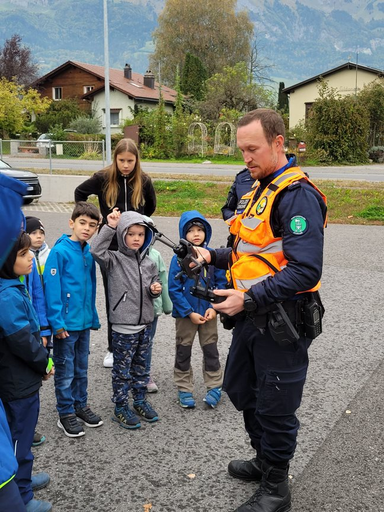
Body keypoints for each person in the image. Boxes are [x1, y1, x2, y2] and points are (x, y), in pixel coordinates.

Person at [192, 109, 327, 512]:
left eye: (253, 149)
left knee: (276, 405)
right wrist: (207, 255)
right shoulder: (258, 190)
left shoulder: (296, 194)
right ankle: (264, 459)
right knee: (241, 389)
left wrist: (248, 298)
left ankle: (276, 488)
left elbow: (306, 269)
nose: (246, 158)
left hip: (283, 320)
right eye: (242, 150)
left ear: (278, 143)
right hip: (252, 316)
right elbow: (245, 252)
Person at [74, 138, 157, 369]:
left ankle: (138, 343)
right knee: (115, 297)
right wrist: (95, 217)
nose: (126, 165)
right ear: (115, 159)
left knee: (140, 294)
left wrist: (139, 222)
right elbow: (79, 192)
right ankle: (113, 347)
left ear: (136, 160)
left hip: (137, 248)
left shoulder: (144, 180)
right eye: (122, 160)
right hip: (111, 249)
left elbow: (150, 206)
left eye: (130, 161)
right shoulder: (102, 178)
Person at [91, 210, 162, 429]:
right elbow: (95, 250)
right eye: (131, 234)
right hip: (123, 326)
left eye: (140, 234)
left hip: (145, 325)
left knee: (141, 367)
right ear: (122, 235)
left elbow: (153, 286)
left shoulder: (149, 262)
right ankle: (120, 406)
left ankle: (139, 400)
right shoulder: (113, 260)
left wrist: (154, 290)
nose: (136, 238)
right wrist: (110, 227)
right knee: (122, 370)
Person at [0, 230, 54, 512]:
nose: (31, 256)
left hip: (18, 379)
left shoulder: (12, 284)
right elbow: (22, 341)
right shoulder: (7, 296)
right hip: (17, 383)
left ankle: (23, 480)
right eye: (23, 254)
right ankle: (21, 495)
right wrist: (45, 362)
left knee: (19, 434)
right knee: (19, 439)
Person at [43, 202, 102, 438]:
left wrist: (93, 317)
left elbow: (91, 288)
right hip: (65, 326)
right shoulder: (60, 252)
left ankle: (80, 405)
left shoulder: (88, 251)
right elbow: (52, 288)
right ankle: (65, 412)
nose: (87, 228)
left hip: (83, 323)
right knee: (65, 371)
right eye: (82, 223)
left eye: (92, 225)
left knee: (81, 368)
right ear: (72, 223)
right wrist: (56, 323)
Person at [168, 210, 227, 409]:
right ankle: (184, 387)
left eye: (200, 230)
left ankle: (214, 385)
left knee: (211, 349)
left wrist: (214, 308)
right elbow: (173, 289)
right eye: (191, 230)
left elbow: (221, 284)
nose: (196, 234)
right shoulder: (178, 260)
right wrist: (188, 312)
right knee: (183, 349)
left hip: (208, 313)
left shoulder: (213, 257)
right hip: (187, 315)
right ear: (183, 234)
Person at [24, 217, 52, 447]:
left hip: (34, 331)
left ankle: (27, 428)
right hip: (16, 334)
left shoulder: (31, 262)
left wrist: (43, 329)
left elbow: (38, 296)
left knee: (32, 382)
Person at [141, 216, 173, 393]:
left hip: (153, 308)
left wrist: (167, 306)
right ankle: (131, 373)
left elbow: (163, 280)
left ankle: (145, 374)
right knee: (133, 343)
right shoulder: (126, 255)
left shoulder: (156, 255)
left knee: (148, 342)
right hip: (133, 311)